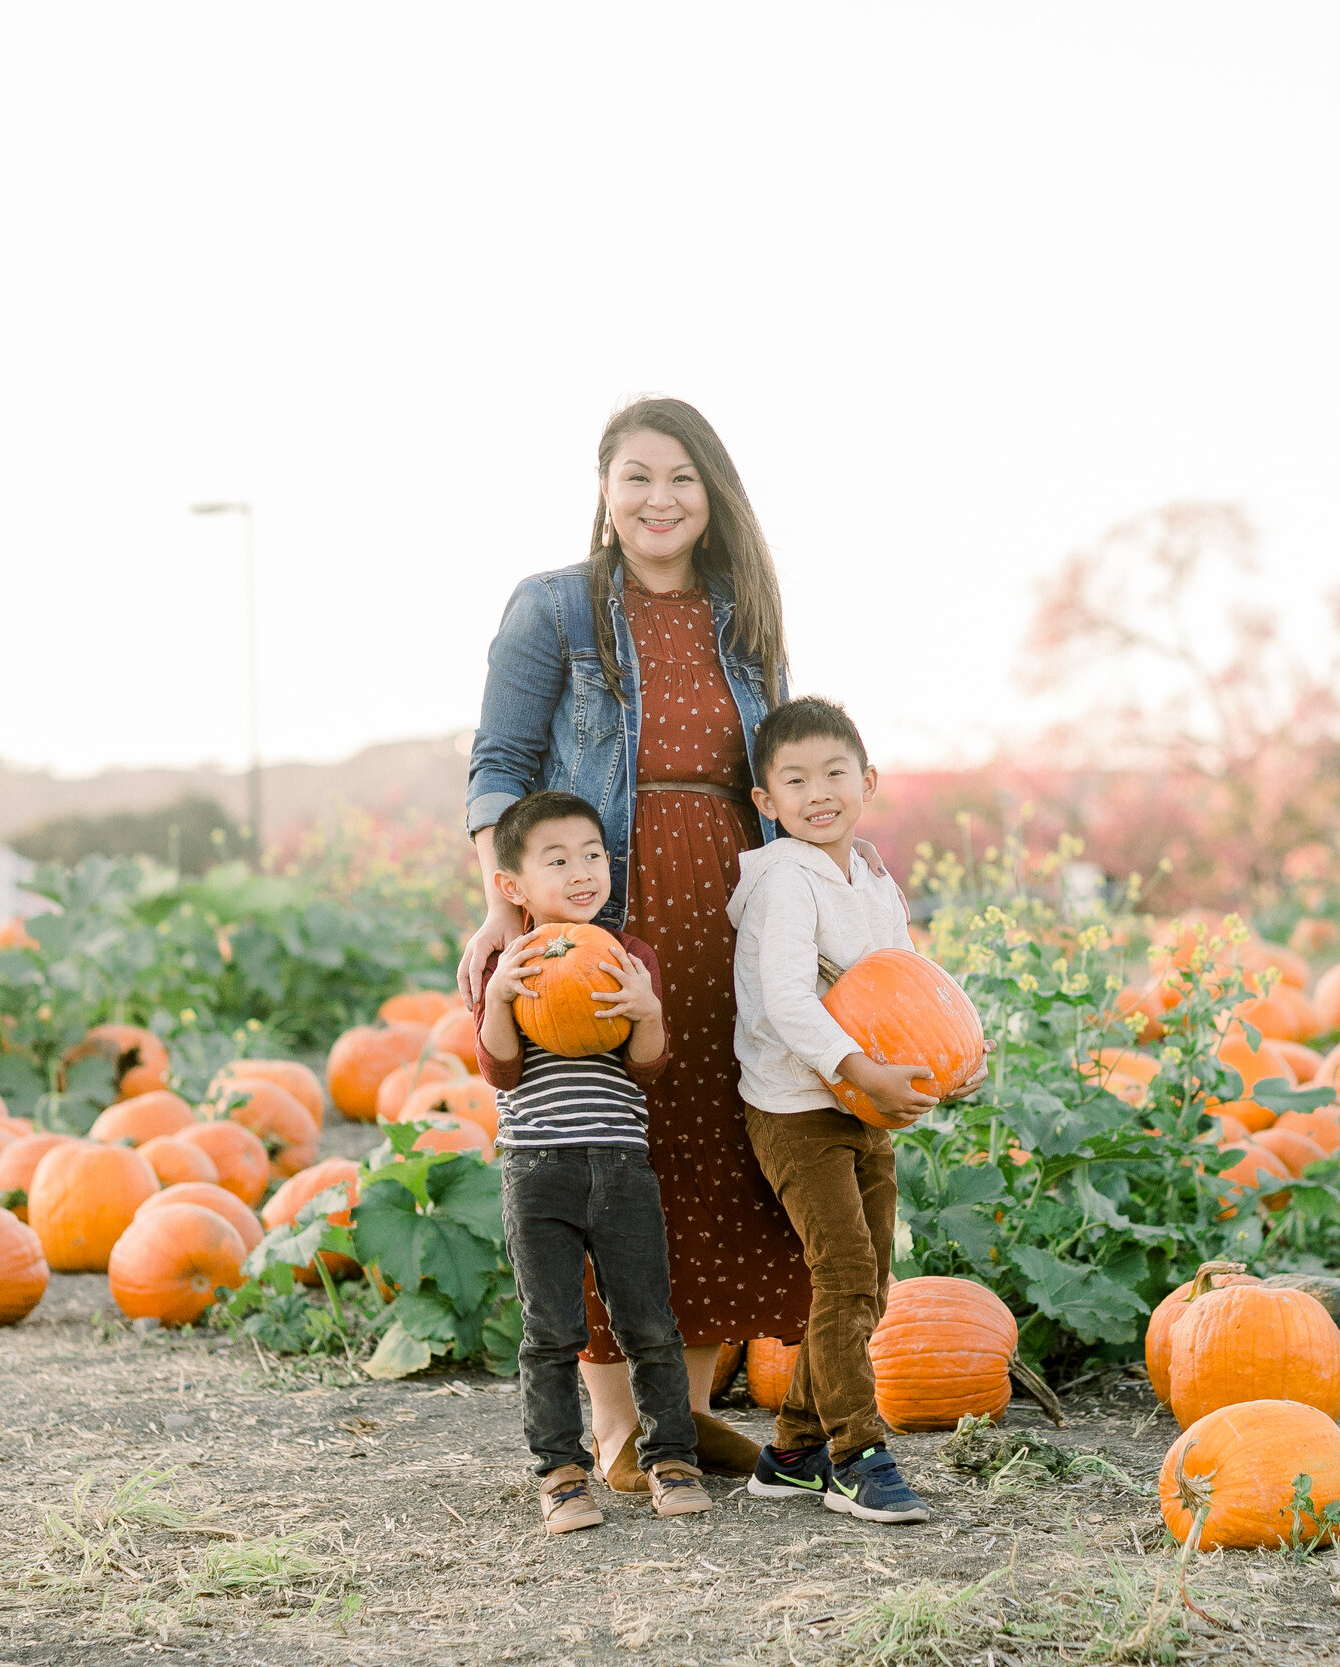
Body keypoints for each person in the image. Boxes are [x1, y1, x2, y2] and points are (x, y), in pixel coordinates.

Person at [461, 397, 812, 1491]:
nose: (659, 499)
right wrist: (505, 908)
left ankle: (684, 1414)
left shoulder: (741, 615)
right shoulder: (555, 606)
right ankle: (614, 1427)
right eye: (637, 477)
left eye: (683, 478)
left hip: (728, 901)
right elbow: (499, 765)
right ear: (605, 492)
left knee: (715, 1151)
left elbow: (783, 770)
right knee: (616, 1154)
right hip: (602, 905)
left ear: (714, 496)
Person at [728, 696, 959, 1525]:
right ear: (767, 802)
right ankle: (856, 1455)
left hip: (863, 1101)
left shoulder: (871, 874)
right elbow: (790, 1001)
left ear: (868, 780)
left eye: (834, 772)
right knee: (844, 1272)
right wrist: (861, 1067)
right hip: (797, 1106)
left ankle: (791, 1450)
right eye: (794, 779)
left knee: (873, 1285)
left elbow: (903, 981)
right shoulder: (786, 881)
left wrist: (940, 1062)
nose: (817, 791)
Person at [472, 789, 712, 1531]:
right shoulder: (505, 961)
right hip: (537, 1167)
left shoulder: (629, 955)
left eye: (592, 855)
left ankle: (671, 1458)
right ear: (512, 884)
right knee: (549, 1328)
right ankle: (561, 1473)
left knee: (648, 1320)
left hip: (620, 1164)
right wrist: (503, 1002)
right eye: (558, 860)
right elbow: (499, 1072)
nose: (581, 872)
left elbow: (650, 1065)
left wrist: (648, 1011)